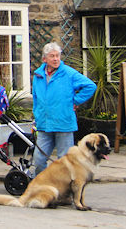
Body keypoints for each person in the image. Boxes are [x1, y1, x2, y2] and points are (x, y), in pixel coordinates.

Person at [31, 42, 96, 175]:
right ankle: (42, 186)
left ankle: (65, 189)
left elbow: (90, 86)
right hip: (44, 124)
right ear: (45, 59)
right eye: (52, 56)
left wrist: (76, 100)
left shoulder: (69, 73)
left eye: (58, 56)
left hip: (64, 123)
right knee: (38, 159)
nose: (55, 59)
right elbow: (36, 98)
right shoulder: (38, 76)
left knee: (65, 161)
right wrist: (36, 115)